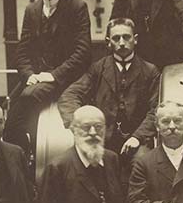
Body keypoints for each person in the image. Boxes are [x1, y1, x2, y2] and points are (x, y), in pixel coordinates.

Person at [6, 0, 92, 151]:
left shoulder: (77, 8)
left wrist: (52, 76)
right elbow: (22, 51)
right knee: (10, 112)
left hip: (66, 78)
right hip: (36, 78)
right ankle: (24, 154)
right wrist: (29, 76)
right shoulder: (32, 10)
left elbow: (82, 53)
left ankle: (30, 153)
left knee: (28, 98)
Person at [57, 18, 160, 164]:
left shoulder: (150, 71)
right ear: (108, 42)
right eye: (116, 38)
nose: (122, 42)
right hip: (103, 139)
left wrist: (137, 137)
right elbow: (69, 95)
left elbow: (156, 109)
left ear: (135, 39)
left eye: (126, 37)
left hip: (137, 140)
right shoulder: (98, 69)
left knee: (143, 162)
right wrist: (79, 124)